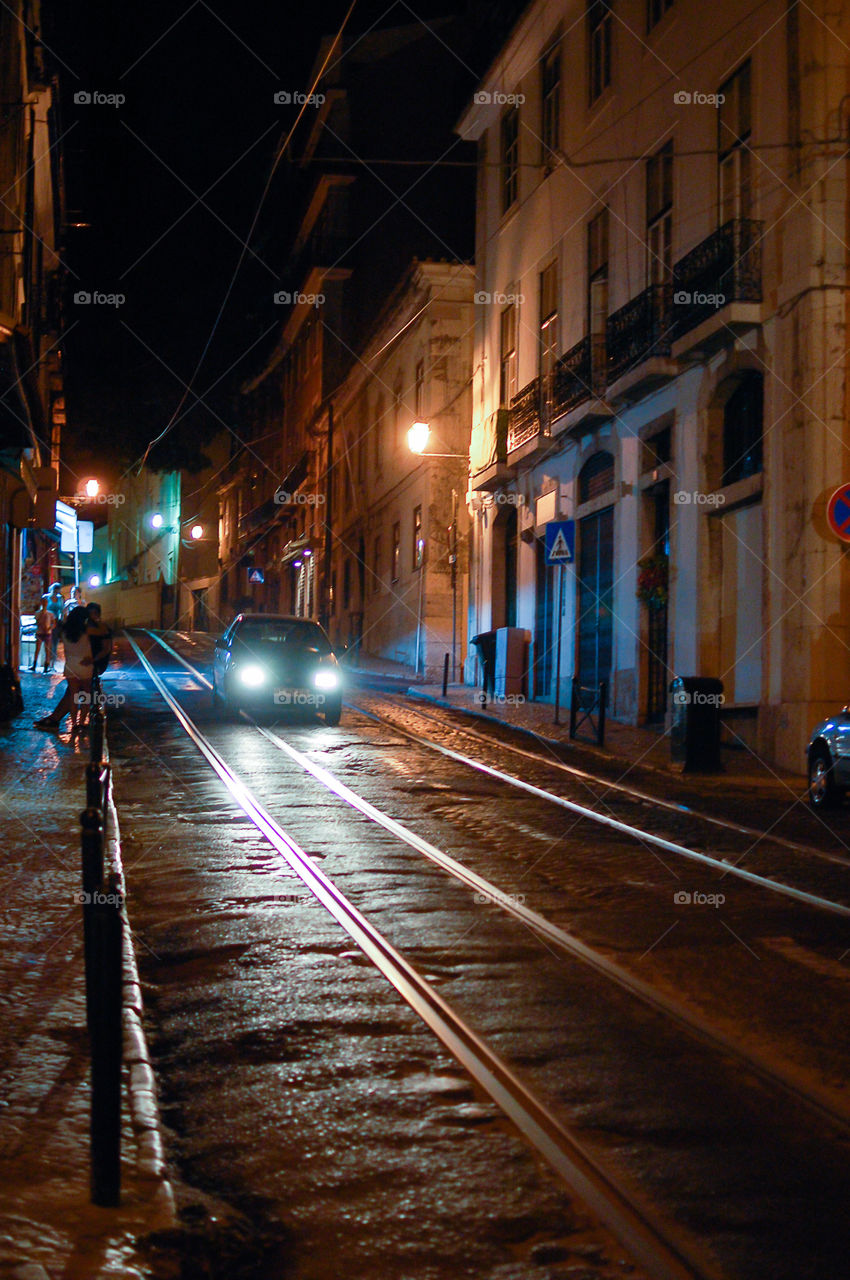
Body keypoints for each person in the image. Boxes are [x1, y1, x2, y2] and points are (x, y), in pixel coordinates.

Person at [33, 606, 93, 733]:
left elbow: (61, 623)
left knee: (73, 696)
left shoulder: (65, 631)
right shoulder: (87, 631)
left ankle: (74, 723)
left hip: (71, 665)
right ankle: (82, 723)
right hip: (86, 665)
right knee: (85, 696)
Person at [86, 602, 113, 675]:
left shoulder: (103, 628)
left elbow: (106, 648)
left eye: (94, 613)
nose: (92, 616)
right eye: (90, 614)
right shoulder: (85, 627)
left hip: (98, 660)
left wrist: (93, 660)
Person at [30, 595, 55, 672]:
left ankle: (46, 665)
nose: (44, 604)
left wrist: (49, 628)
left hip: (47, 632)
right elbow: (37, 622)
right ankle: (34, 665)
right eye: (43, 602)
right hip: (40, 632)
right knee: (37, 648)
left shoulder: (50, 614)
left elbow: (53, 623)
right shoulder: (38, 613)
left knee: (47, 649)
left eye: (46, 602)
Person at [46, 583, 64, 671]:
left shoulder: (60, 598)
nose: (55, 593)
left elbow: (62, 610)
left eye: (57, 591)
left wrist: (62, 620)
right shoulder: (46, 597)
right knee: (48, 642)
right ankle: (47, 662)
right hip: (47, 622)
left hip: (56, 623)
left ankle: (52, 664)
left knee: (55, 643)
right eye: (54, 591)